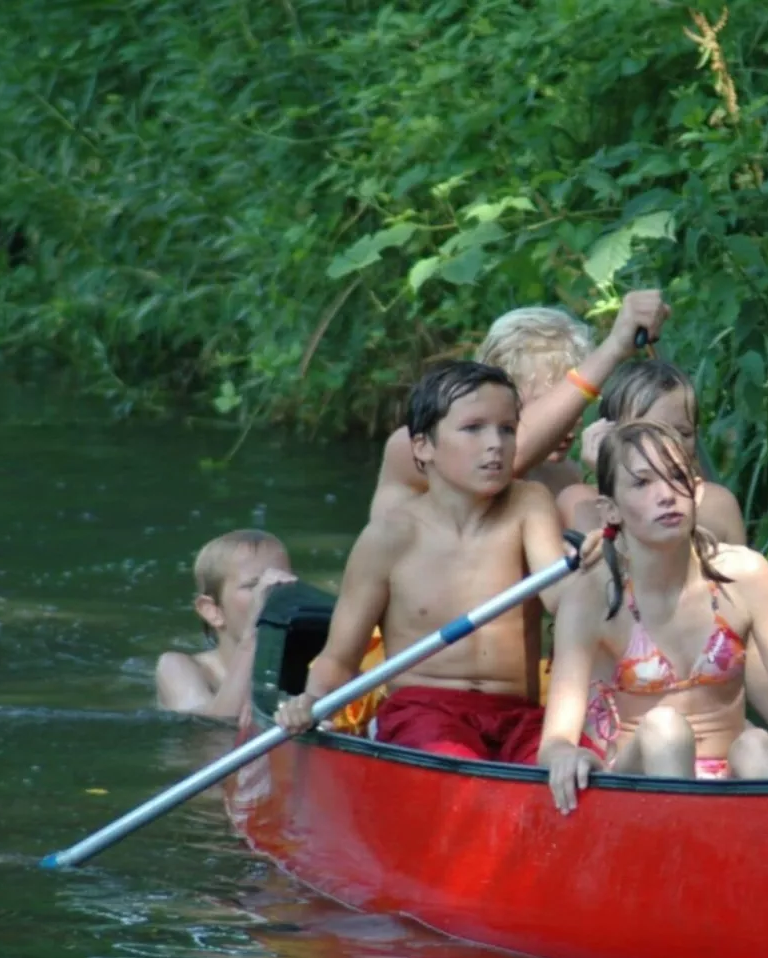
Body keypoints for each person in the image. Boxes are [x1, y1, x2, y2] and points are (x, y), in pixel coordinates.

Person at [537, 421, 768, 814]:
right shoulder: (591, 596)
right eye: (642, 484)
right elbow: (555, 741)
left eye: (676, 478)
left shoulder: (745, 576)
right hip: (638, 790)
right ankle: (680, 864)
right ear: (611, 510)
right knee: (665, 728)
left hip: (731, 783)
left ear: (697, 490)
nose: (665, 495)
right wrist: (565, 756)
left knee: (759, 746)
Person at [273, 360, 604, 763]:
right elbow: (340, 657)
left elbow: (560, 598)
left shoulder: (528, 503)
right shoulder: (389, 537)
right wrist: (309, 702)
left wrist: (589, 568)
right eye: (473, 428)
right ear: (422, 446)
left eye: (507, 429)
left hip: (518, 715)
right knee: (457, 761)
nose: (495, 444)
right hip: (423, 711)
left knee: (585, 764)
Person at [368, 292, 670, 523]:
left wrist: (614, 481)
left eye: (577, 405)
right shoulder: (419, 447)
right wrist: (615, 346)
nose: (571, 420)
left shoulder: (564, 477)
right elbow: (510, 458)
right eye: (547, 403)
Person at [557, 360, 745, 542]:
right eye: (649, 434)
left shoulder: (717, 505)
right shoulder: (578, 503)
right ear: (607, 436)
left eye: (683, 433)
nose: (670, 447)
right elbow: (606, 568)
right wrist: (609, 480)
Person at [155, 529, 296, 723]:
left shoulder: (308, 663)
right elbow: (211, 732)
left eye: (283, 583)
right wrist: (254, 634)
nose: (274, 594)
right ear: (213, 611)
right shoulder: (179, 667)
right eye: (254, 585)